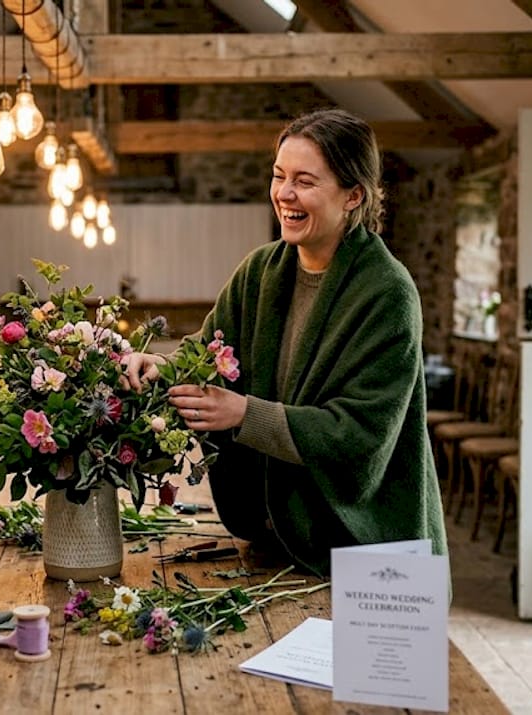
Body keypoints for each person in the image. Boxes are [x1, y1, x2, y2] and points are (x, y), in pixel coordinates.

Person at [122, 108, 448, 576]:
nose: (284, 194)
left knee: (366, 655)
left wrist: (243, 414)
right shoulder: (261, 271)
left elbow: (360, 436)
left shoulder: (387, 293)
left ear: (353, 195)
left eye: (305, 181)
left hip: (369, 549)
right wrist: (160, 365)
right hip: (279, 536)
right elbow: (212, 353)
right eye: (278, 176)